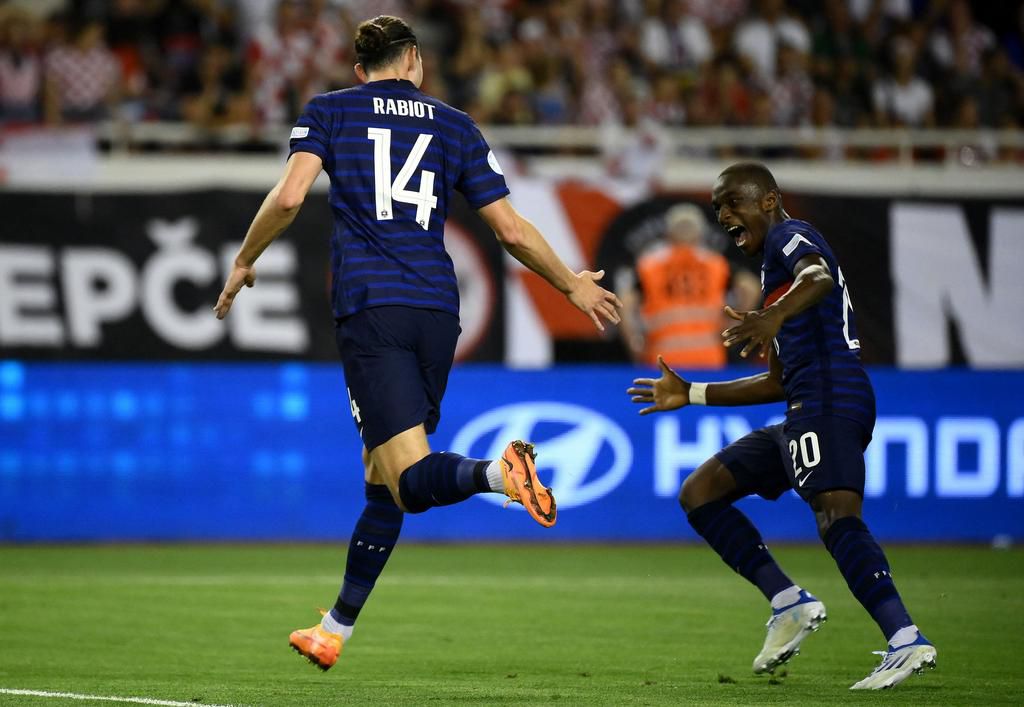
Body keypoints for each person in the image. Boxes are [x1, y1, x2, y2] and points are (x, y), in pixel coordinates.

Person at [213, 15, 622, 671]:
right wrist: (571, 284)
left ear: (360, 69)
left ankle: (498, 474)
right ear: (413, 62)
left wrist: (244, 258)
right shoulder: (455, 124)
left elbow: (290, 196)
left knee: (406, 474)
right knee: (385, 475)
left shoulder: (329, 110)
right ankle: (334, 628)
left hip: (371, 307)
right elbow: (511, 231)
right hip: (438, 309)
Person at [626, 162, 936, 690]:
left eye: (733, 203)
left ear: (768, 200)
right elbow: (776, 381)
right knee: (701, 492)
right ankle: (788, 602)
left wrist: (773, 315)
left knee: (836, 516)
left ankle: (905, 638)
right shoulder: (774, 277)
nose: (723, 215)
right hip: (804, 404)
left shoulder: (791, 237)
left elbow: (817, 275)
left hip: (831, 397)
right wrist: (693, 394)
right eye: (718, 206)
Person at [618, 203, 760, 369]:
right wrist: (733, 327)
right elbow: (751, 288)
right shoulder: (716, 264)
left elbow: (625, 304)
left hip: (664, 358)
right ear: (700, 234)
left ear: (668, 234)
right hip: (708, 357)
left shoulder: (649, 266)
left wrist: (634, 342)